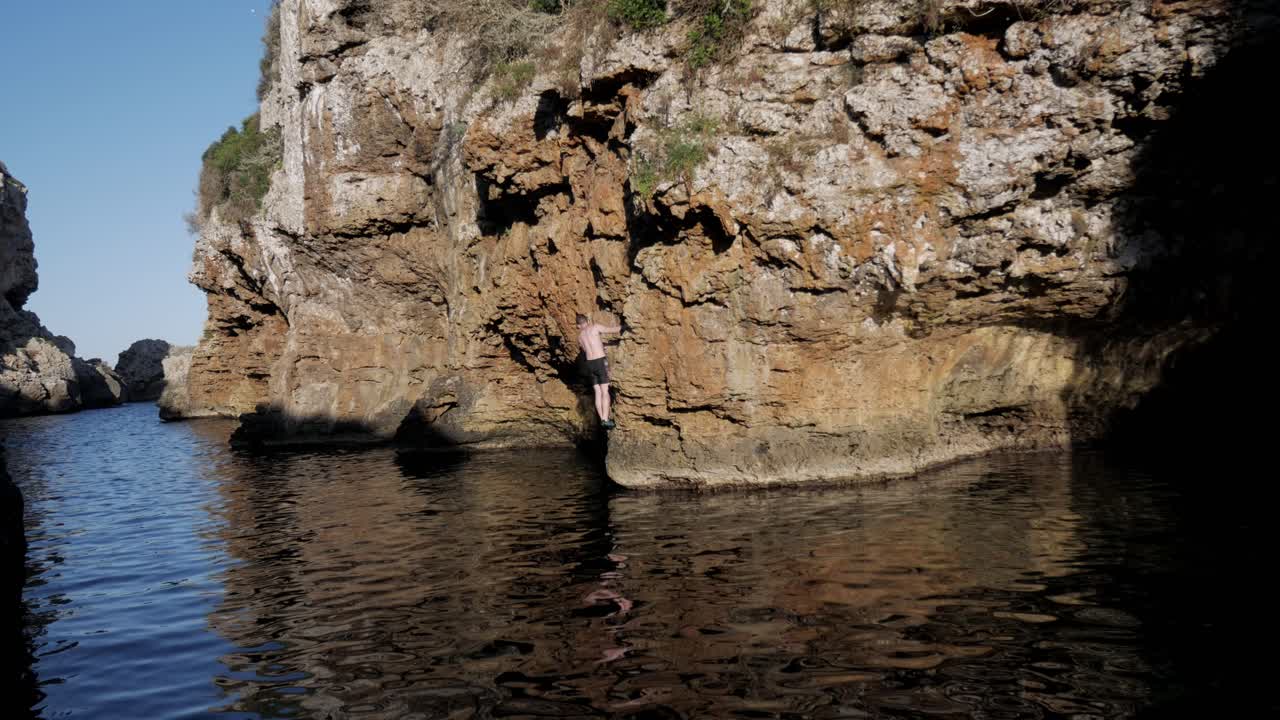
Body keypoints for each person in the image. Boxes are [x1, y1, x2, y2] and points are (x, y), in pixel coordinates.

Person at [577, 313, 620, 429]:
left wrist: (600, 345)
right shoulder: (595, 327)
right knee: (605, 391)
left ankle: (602, 419)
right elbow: (611, 330)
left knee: (597, 392)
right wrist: (625, 327)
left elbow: (586, 349)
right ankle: (606, 420)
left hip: (589, 363)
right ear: (587, 321)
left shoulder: (580, 337)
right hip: (600, 361)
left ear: (578, 326)